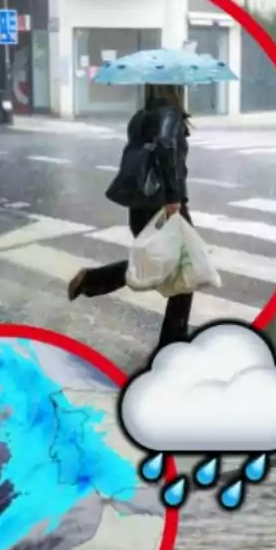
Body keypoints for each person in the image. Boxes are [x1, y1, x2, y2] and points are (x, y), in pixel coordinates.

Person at [66, 83, 194, 350]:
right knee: (185, 269)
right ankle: (172, 345)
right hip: (164, 205)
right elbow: (166, 146)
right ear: (175, 88)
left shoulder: (139, 117)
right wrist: (173, 198)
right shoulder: (170, 114)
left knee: (159, 265)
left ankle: (93, 280)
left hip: (141, 205)